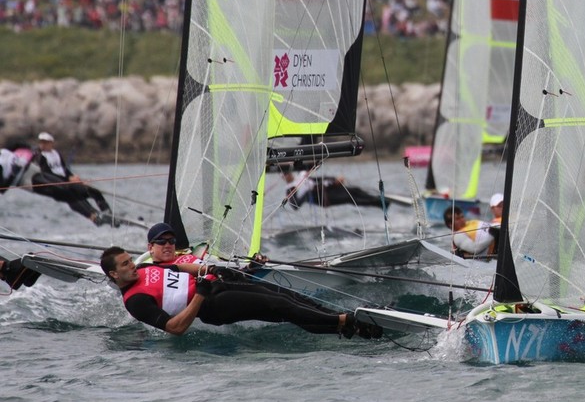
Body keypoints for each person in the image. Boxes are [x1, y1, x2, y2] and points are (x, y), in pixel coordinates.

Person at [100, 244, 382, 338]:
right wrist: (200, 292)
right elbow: (174, 328)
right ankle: (345, 321)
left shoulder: (147, 268)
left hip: (215, 284)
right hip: (212, 305)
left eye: (130, 260)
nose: (132, 266)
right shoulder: (134, 301)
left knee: (285, 297)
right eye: (125, 265)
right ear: (114, 274)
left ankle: (339, 325)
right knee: (278, 306)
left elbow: (175, 269)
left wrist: (208, 270)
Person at [31, 132, 115, 226]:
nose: (43, 144)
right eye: (41, 142)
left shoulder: (56, 153)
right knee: (76, 199)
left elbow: (63, 169)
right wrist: (67, 180)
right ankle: (95, 217)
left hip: (67, 181)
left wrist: (72, 176)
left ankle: (108, 214)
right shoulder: (40, 156)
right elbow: (46, 174)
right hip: (58, 185)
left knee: (94, 192)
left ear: (51, 143)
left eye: (45, 142)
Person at [281, 170, 384, 210]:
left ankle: (378, 199)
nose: (288, 175)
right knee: (350, 198)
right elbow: (296, 206)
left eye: (287, 172)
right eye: (285, 174)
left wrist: (335, 180)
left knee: (355, 190)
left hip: (328, 190)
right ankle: (379, 203)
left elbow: (320, 179)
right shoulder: (290, 189)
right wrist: (308, 192)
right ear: (282, 177)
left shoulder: (302, 175)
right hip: (324, 199)